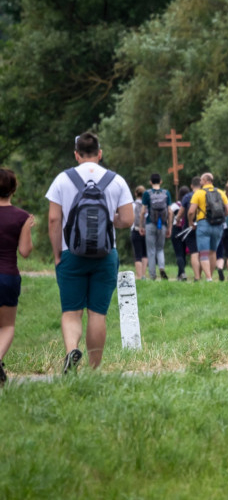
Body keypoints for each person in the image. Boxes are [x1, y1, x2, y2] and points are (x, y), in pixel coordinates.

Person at [46, 132, 133, 372]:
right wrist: (110, 221)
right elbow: (128, 219)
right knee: (97, 314)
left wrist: (57, 254)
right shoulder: (116, 180)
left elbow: (54, 220)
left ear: (76, 155)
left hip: (71, 254)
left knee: (71, 312)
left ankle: (71, 350)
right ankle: (94, 370)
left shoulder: (62, 179)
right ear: (100, 153)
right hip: (106, 254)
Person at [0, 168, 35, 385]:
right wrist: (27, 228)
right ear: (14, 189)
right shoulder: (22, 217)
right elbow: (25, 251)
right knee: (7, 326)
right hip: (7, 277)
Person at [187, 173, 228, 282]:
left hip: (203, 224)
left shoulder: (198, 193)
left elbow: (191, 211)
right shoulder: (220, 192)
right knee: (213, 252)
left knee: (203, 253)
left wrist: (191, 222)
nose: (200, 182)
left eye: (201, 180)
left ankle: (208, 278)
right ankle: (211, 276)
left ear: (205, 181)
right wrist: (220, 219)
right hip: (218, 225)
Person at [139, 173, 172, 281]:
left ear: (150, 182)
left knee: (151, 250)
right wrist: (169, 227)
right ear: (161, 181)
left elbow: (142, 211)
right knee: (160, 249)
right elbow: (170, 212)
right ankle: (161, 267)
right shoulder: (166, 193)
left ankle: (152, 275)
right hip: (162, 224)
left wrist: (141, 226)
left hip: (150, 224)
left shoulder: (147, 194)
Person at [177, 177, 202, 281]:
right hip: (203, 226)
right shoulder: (204, 195)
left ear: (191, 186)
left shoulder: (187, 197)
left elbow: (181, 212)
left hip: (190, 227)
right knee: (202, 253)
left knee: (194, 252)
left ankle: (197, 277)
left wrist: (177, 219)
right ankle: (202, 275)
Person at [170, 185, 190, 281]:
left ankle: (182, 273)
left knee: (179, 253)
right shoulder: (189, 205)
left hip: (176, 229)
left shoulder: (174, 206)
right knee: (183, 253)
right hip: (186, 229)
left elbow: (170, 217)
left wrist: (169, 227)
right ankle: (180, 274)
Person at [130, 186, 148, 281]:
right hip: (146, 231)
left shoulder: (132, 205)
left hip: (136, 230)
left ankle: (139, 275)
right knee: (145, 253)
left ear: (136, 194)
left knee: (138, 254)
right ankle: (144, 275)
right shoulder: (147, 205)